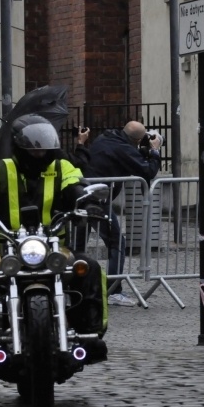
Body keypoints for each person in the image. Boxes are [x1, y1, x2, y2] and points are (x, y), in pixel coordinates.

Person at [0, 114, 108, 359]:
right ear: (19, 147)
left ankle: (90, 334)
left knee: (88, 268)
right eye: (34, 151)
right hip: (5, 249)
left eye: (45, 151)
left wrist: (89, 204)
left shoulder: (62, 168)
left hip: (54, 249)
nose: (40, 155)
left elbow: (76, 186)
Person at [81, 121, 161, 306]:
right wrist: (155, 151)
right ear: (138, 139)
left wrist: (141, 151)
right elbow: (148, 170)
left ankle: (71, 287)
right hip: (97, 201)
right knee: (117, 242)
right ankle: (113, 290)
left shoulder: (107, 137)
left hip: (83, 196)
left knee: (78, 244)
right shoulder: (122, 148)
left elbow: (130, 158)